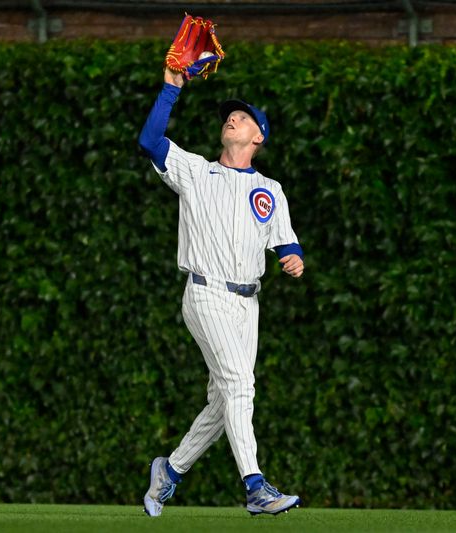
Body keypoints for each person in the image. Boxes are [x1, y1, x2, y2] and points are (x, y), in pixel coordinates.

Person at [138, 67, 305, 517]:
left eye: (243, 117)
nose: (232, 118)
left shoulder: (269, 190)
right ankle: (255, 486)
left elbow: (287, 241)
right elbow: (150, 141)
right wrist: (172, 87)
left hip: (247, 303)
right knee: (239, 384)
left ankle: (168, 473)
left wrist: (295, 258)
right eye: (229, 115)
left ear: (258, 138)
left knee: (222, 401)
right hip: (205, 292)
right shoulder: (195, 170)